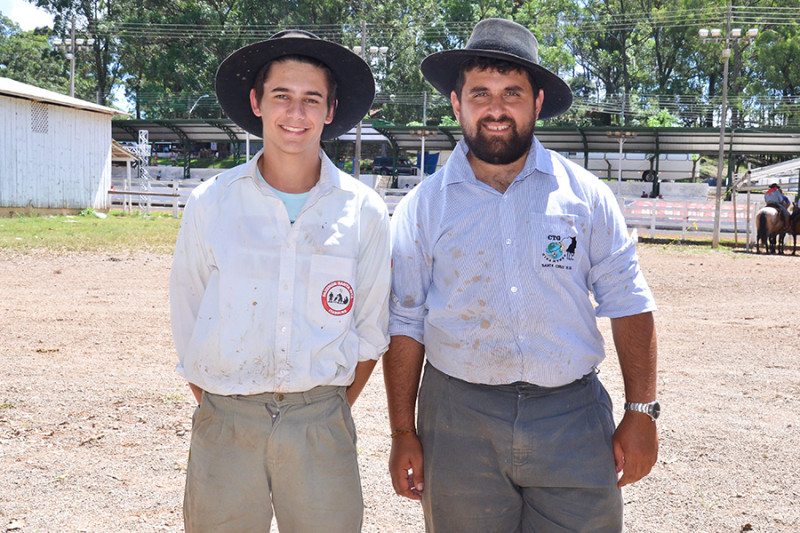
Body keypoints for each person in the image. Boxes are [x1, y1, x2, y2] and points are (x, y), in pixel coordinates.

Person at [384, 18, 659, 532]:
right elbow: (405, 321)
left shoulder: (586, 196)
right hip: (458, 418)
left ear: (536, 102)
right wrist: (403, 429)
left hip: (572, 417)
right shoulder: (423, 208)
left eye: (512, 92)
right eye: (480, 93)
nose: (495, 108)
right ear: (456, 103)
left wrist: (641, 410)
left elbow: (628, 301)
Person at [170, 30, 390, 532]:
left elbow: (370, 328)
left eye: (312, 99)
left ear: (331, 109)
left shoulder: (364, 212)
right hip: (226, 421)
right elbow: (188, 312)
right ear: (257, 103)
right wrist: (227, 404)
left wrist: (317, 406)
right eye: (281, 96)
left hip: (321, 422)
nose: (296, 113)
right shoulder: (212, 203)